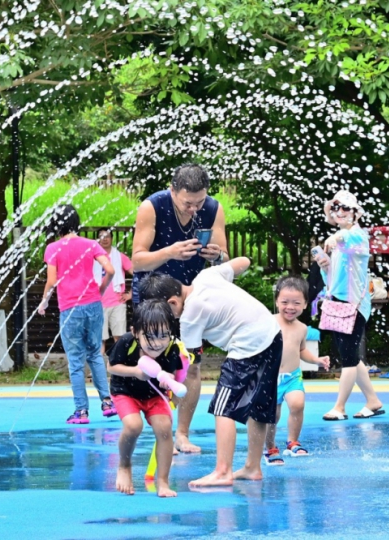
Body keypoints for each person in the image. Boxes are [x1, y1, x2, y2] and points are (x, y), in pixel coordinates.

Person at [138, 258, 282, 487]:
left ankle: (223, 471)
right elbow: (244, 261)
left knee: (223, 408)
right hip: (273, 335)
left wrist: (171, 387)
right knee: (259, 405)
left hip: (247, 345)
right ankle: (253, 467)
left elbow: (190, 365)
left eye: (165, 315)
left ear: (173, 302)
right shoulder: (207, 276)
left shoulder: (189, 316)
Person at [131, 163, 229, 454]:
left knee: (193, 367)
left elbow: (224, 257)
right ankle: (156, 430)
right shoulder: (152, 207)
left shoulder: (213, 209)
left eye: (199, 202)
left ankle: (182, 434)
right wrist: (170, 252)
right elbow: (137, 260)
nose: (194, 209)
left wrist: (217, 255)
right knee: (154, 366)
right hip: (154, 296)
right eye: (188, 203)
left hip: (191, 298)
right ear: (173, 191)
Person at [38, 204, 118, 424]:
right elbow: (110, 270)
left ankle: (81, 412)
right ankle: (107, 403)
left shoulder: (53, 248)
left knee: (75, 360)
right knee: (95, 354)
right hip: (93, 304)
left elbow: (52, 281)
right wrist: (100, 289)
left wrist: (43, 303)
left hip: (70, 308)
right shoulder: (90, 244)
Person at [315, 190, 385, 421]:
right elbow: (333, 282)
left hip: (353, 305)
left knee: (347, 358)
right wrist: (325, 266)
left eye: (346, 208)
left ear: (356, 213)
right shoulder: (339, 243)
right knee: (351, 356)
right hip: (340, 304)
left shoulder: (357, 236)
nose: (340, 212)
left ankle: (339, 407)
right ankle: (373, 401)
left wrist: (336, 238)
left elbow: (348, 241)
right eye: (336, 208)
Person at [108, 300, 184, 498]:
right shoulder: (126, 342)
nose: (157, 343)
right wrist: (135, 372)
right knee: (134, 425)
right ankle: (124, 466)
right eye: (150, 336)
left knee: (164, 428)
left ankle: (163, 482)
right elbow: (112, 367)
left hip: (153, 395)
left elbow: (172, 374)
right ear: (135, 332)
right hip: (126, 390)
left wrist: (168, 381)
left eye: (163, 336)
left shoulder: (171, 348)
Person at [264, 276, 330, 465]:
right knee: (272, 416)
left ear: (305, 304)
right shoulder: (268, 323)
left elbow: (301, 350)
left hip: (292, 377)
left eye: (296, 303)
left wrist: (316, 360)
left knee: (298, 404)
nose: (290, 307)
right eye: (285, 302)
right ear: (276, 301)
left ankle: (293, 441)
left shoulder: (301, 328)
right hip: (270, 378)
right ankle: (270, 447)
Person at [94, 229, 133, 355]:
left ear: (112, 239)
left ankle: (119, 371)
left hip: (117, 303)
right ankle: (97, 372)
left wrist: (131, 294)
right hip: (98, 304)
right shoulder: (93, 258)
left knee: (119, 339)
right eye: (101, 236)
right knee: (99, 340)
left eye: (107, 236)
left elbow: (137, 274)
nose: (104, 239)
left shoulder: (120, 257)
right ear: (97, 239)